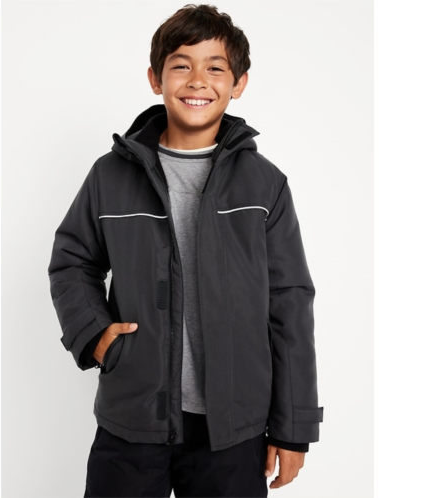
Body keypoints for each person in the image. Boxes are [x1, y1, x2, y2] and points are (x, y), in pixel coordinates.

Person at [48, 4, 323, 497]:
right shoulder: (110, 176)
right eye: (181, 65)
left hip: (233, 430)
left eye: (215, 68)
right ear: (156, 79)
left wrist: (293, 427)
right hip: (133, 418)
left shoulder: (265, 185)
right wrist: (94, 335)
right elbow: (72, 260)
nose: (198, 80)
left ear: (239, 83)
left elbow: (289, 302)